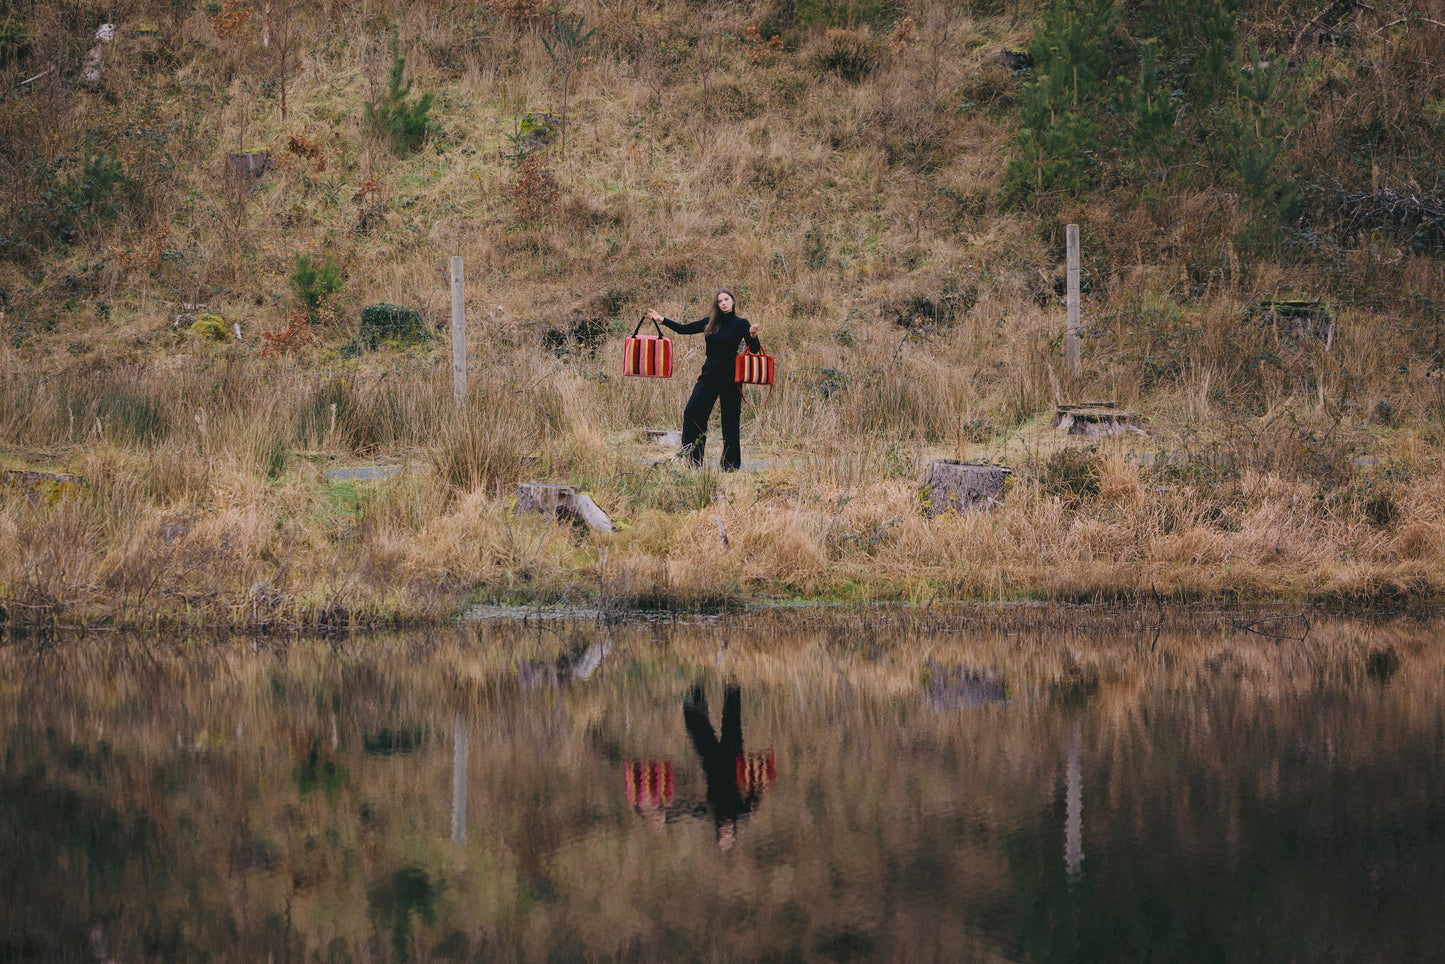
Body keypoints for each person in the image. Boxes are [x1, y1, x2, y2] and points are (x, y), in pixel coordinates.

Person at [645, 289, 761, 472]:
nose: (723, 303)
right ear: (717, 304)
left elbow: (754, 350)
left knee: (730, 422)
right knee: (692, 413)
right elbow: (684, 329)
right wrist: (661, 319)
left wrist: (753, 336)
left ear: (733, 301)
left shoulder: (741, 324)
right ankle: (693, 461)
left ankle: (730, 466)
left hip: (732, 378)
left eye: (726, 299)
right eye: (720, 300)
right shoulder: (710, 322)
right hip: (709, 375)